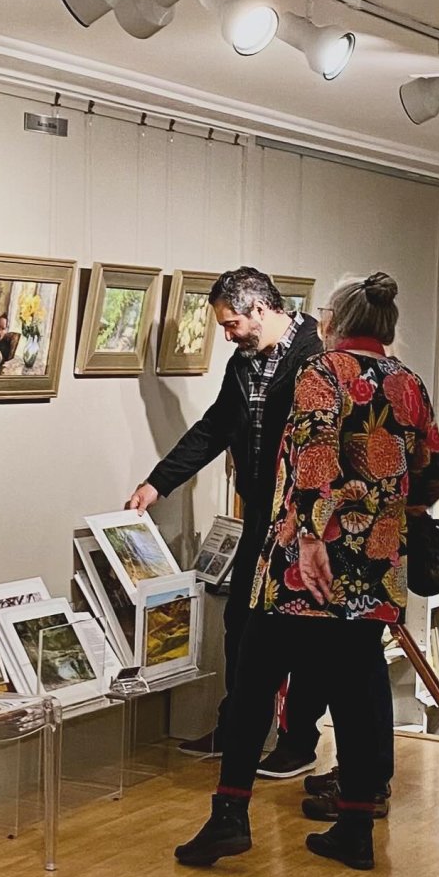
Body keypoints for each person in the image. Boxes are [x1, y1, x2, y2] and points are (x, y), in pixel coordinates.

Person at [174, 271, 439, 871]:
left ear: (335, 323)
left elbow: (312, 461)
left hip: (302, 567)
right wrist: (387, 513)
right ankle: (354, 828)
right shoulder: (408, 382)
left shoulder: (320, 374)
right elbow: (435, 472)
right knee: (354, 694)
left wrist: (310, 539)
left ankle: (229, 817)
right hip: (373, 570)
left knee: (252, 686)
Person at [127, 266, 323, 772]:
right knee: (243, 622)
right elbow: (215, 428)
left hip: (305, 522)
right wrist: (157, 482)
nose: (228, 334)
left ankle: (297, 743)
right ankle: (238, 729)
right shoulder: (243, 363)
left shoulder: (315, 355)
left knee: (301, 632)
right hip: (258, 514)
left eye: (232, 324)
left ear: (260, 309)